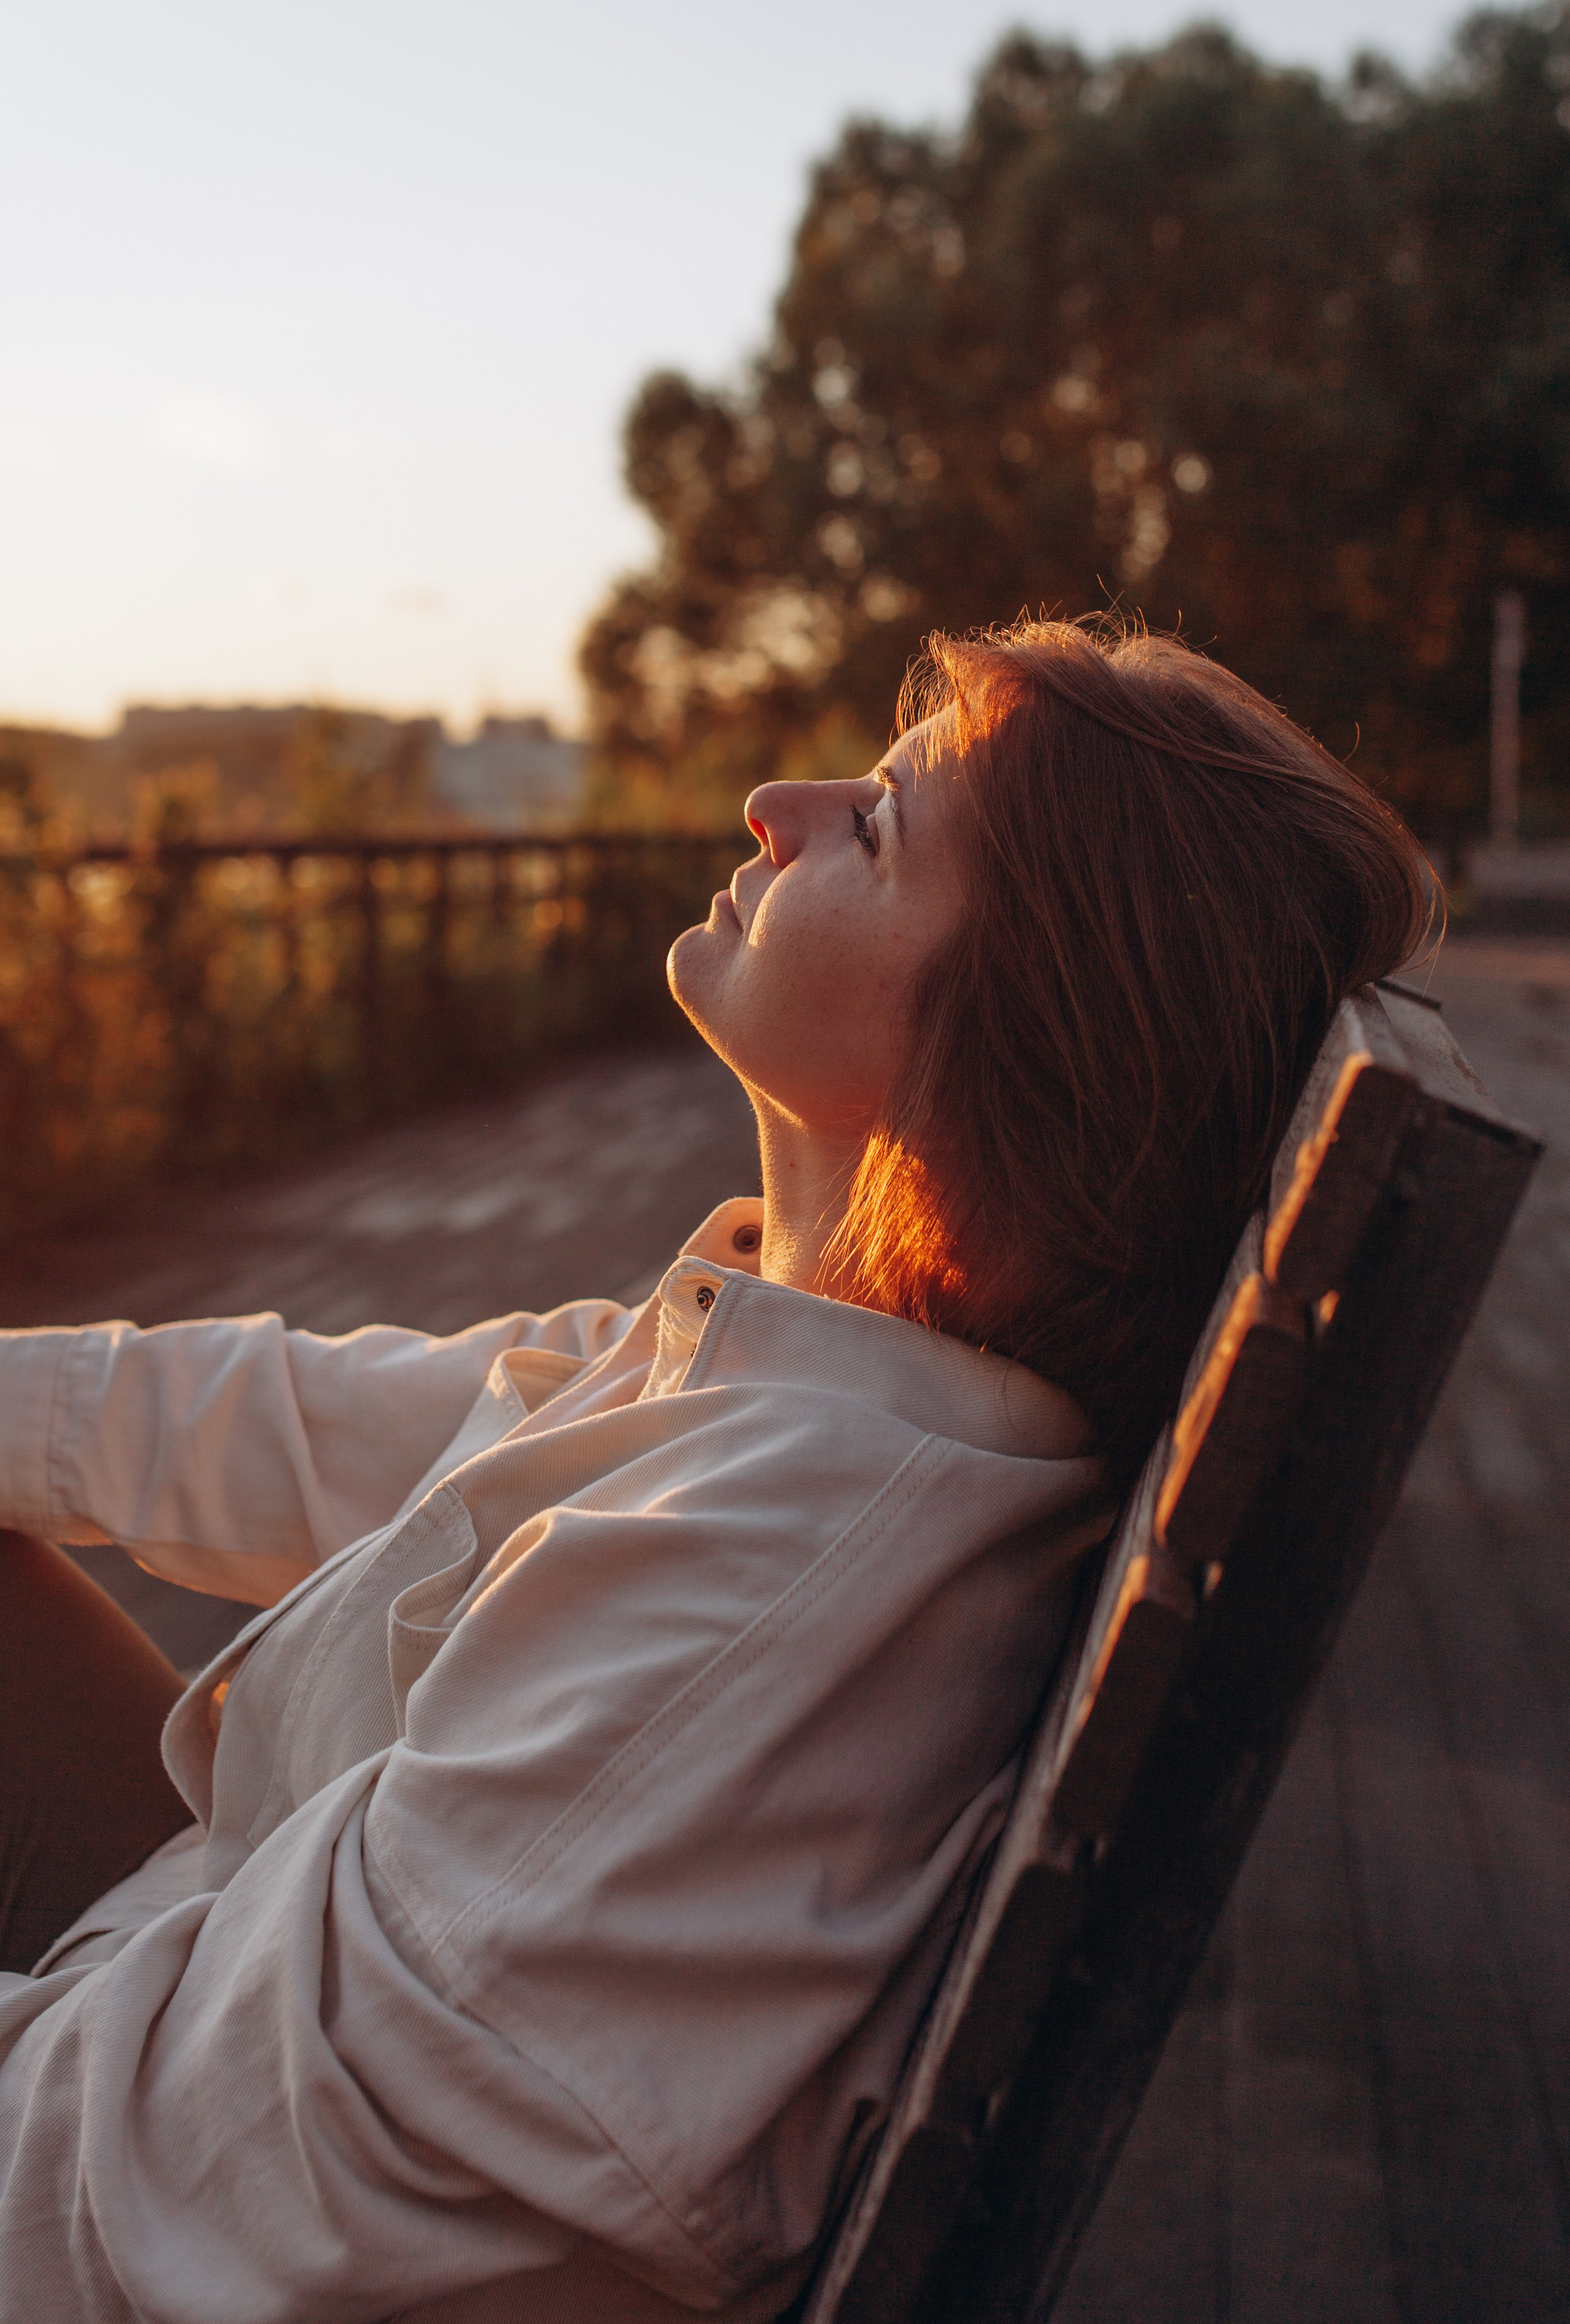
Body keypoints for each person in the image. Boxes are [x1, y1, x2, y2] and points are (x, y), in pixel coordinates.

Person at [0, 620, 1431, 2323]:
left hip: (135, 2105)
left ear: (1019, 1043)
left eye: (881, 826)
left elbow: (151, 2195)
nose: (776, 803)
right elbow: (318, 1425)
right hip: (198, 1968)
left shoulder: (757, 1576)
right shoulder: (806, 1379)